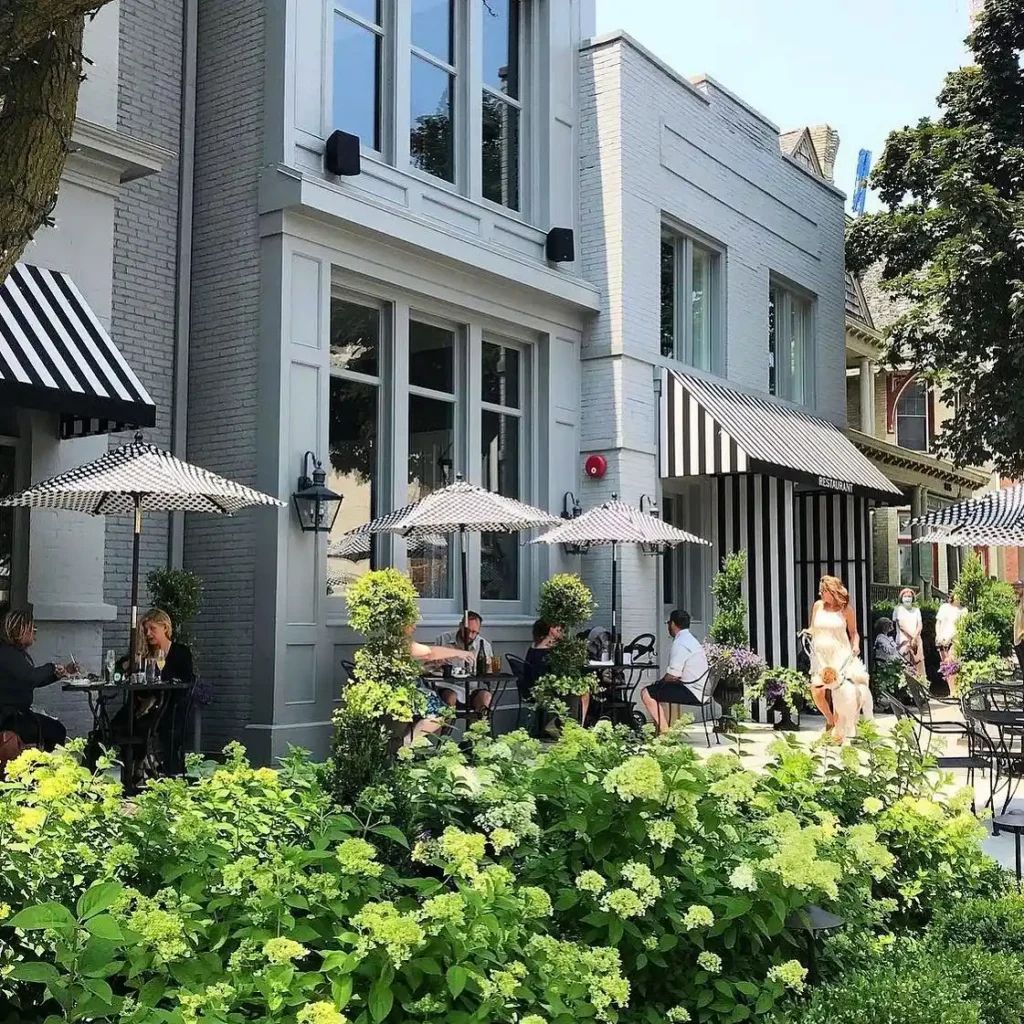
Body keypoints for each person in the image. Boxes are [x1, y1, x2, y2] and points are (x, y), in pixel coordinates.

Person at [0, 609, 73, 751]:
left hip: (15, 715)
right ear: (20, 630)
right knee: (57, 731)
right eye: (32, 630)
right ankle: (44, 767)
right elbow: (30, 678)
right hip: (9, 719)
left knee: (55, 729)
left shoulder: (13, 653)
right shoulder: (8, 654)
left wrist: (56, 675)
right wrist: (51, 667)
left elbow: (31, 680)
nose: (35, 635)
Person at [806, 576, 864, 737]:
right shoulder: (818, 606)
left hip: (840, 654)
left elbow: (854, 633)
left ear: (832, 592)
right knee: (816, 690)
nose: (820, 594)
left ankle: (838, 731)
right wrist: (807, 632)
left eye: (823, 591)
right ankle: (830, 720)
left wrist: (856, 645)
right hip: (820, 655)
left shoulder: (846, 610)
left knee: (839, 692)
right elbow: (813, 627)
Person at [640, 610, 710, 735]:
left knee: (647, 692)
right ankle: (661, 730)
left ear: (672, 624)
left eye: (668, 623)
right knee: (658, 689)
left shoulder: (680, 643)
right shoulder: (692, 641)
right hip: (701, 689)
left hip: (691, 691)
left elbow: (672, 675)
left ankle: (665, 733)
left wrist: (660, 681)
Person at [406, 627, 476, 743]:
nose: (414, 627)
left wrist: (430, 667)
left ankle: (411, 743)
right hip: (404, 692)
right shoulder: (400, 643)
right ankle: (407, 743)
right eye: (411, 623)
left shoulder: (393, 641)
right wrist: (460, 653)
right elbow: (429, 653)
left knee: (440, 709)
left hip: (408, 689)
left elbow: (412, 669)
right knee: (441, 711)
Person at [433, 612, 493, 716]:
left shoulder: (484, 645)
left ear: (479, 630)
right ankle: (445, 730)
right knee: (450, 697)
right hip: (447, 686)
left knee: (486, 697)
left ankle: (478, 730)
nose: (470, 635)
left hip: (472, 688)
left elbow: (489, 673)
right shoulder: (443, 639)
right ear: (460, 626)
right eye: (467, 631)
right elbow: (429, 665)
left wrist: (488, 669)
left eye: (474, 632)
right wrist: (436, 663)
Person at [893, 587, 924, 678]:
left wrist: (915, 636)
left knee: (918, 663)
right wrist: (912, 636)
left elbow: (919, 624)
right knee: (904, 662)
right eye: (905, 596)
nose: (907, 598)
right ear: (901, 598)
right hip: (904, 640)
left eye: (909, 596)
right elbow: (901, 625)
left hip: (916, 640)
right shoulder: (897, 609)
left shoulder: (916, 610)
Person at [935, 596, 967, 666]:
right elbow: (938, 623)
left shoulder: (963, 610)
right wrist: (938, 635)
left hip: (954, 641)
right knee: (944, 665)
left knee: (951, 666)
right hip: (941, 640)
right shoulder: (944, 607)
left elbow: (960, 628)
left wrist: (949, 639)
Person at [1013, 580, 1024, 679]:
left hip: (1021, 641)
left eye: (1018, 587)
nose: (1015, 590)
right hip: (1019, 641)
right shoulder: (1020, 601)